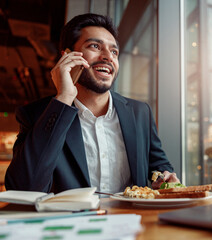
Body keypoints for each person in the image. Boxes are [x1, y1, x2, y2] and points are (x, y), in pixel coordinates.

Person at [5, 13, 179, 194]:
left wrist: (164, 177)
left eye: (114, 51)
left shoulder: (140, 112)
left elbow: (159, 165)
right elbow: (23, 188)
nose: (108, 57)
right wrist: (64, 98)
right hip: (71, 221)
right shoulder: (37, 115)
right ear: (68, 56)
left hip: (132, 220)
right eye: (95, 46)